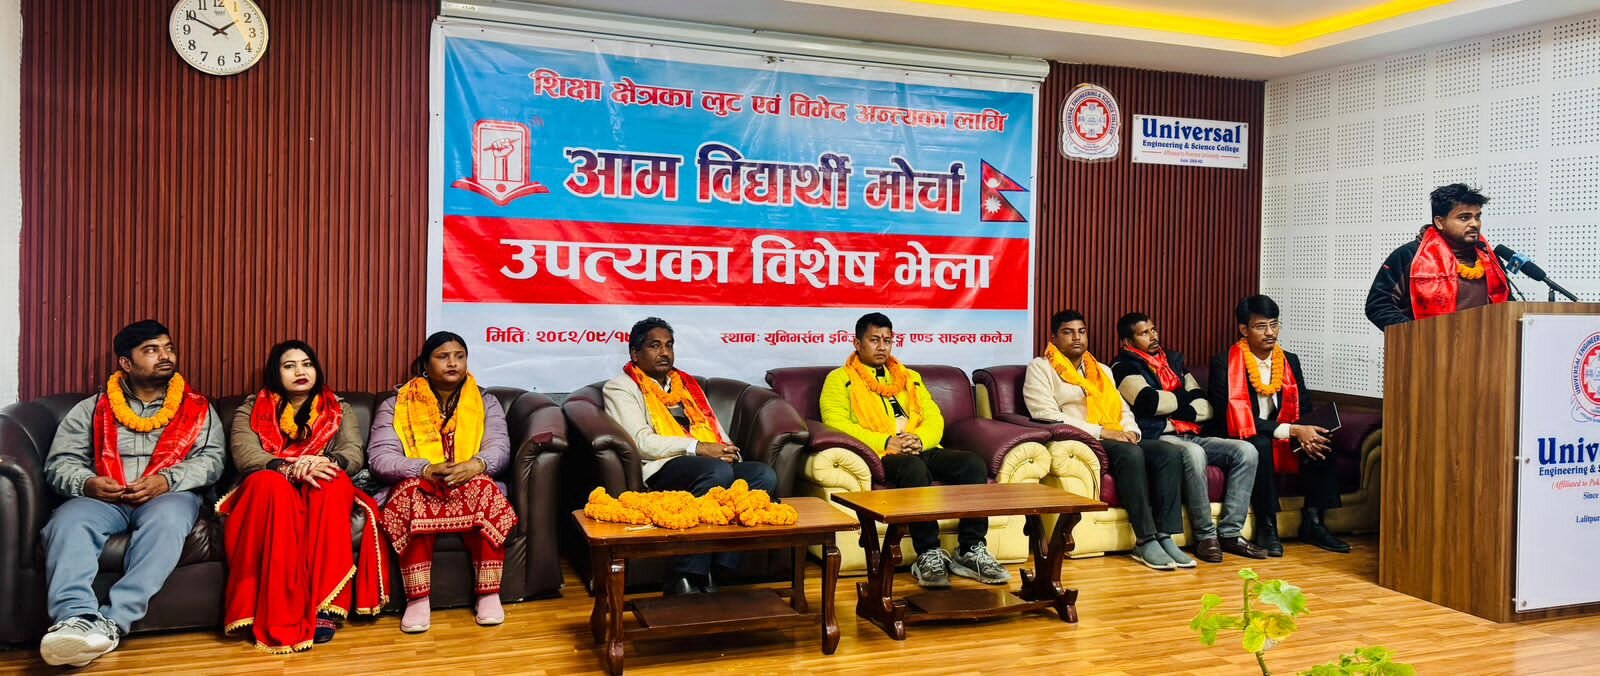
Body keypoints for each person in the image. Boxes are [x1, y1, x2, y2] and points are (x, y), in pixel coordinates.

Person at [38, 320, 225, 667]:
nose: (165, 356)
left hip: (167, 496)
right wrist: (88, 483)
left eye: (168, 348)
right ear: (126, 362)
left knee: (168, 521)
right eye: (151, 350)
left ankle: (111, 623)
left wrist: (167, 480)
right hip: (104, 499)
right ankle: (75, 620)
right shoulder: (92, 408)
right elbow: (61, 463)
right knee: (68, 522)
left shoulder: (198, 408)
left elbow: (212, 460)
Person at [218, 340, 389, 653]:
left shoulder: (338, 408)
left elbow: (353, 453)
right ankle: (271, 607)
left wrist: (324, 461)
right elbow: (246, 455)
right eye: (289, 366)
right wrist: (288, 468)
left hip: (318, 477)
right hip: (270, 481)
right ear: (275, 373)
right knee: (271, 485)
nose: (300, 371)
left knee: (331, 481)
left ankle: (324, 606)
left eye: (307, 364)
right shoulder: (251, 408)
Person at [820, 312, 1010, 589]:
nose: (882, 346)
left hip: (921, 446)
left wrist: (920, 440)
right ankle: (928, 553)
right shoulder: (839, 379)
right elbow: (836, 424)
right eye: (874, 340)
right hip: (882, 455)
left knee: (972, 464)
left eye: (887, 340)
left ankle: (970, 550)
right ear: (857, 343)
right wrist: (886, 441)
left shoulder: (910, 377)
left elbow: (934, 417)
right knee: (913, 468)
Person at [603, 317, 779, 595]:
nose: (664, 352)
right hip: (660, 467)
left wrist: (727, 452)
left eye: (669, 345)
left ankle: (720, 567)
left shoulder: (686, 385)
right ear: (635, 354)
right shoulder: (621, 388)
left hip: (707, 463)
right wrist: (698, 448)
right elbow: (640, 442)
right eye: (655, 346)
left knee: (761, 475)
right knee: (716, 472)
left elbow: (715, 429)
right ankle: (685, 574)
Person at [370, 331, 518, 633]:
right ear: (425, 364)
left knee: (484, 489)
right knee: (412, 496)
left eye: (459, 356)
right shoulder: (395, 403)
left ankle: (488, 594)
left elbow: (499, 448)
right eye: (443, 357)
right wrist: (424, 469)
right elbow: (381, 457)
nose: (453, 363)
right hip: (419, 481)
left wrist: (475, 465)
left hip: (469, 479)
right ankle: (417, 599)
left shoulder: (486, 401)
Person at [1023, 310, 1190, 571]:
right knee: (1131, 454)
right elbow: (1044, 413)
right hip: (1081, 440)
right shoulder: (1041, 368)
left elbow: (1123, 409)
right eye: (1068, 332)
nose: (1076, 338)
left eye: (1081, 332)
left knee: (1167, 452)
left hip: (1114, 433)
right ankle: (1145, 540)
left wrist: (1132, 431)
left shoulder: (1101, 370)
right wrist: (1101, 432)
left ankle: (1165, 536)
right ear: (1053, 338)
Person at [1110, 313, 1266, 563]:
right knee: (1195, 453)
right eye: (1144, 333)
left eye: (1153, 330)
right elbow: (1149, 402)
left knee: (1246, 451)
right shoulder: (1122, 366)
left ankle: (1230, 533)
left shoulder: (1174, 360)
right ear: (1128, 342)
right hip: (1160, 436)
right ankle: (1205, 536)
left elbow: (1205, 405)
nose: (1153, 336)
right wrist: (1185, 399)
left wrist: (1176, 402)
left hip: (1192, 432)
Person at [1208, 295, 1349, 556]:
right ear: (1244, 329)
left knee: (1322, 440)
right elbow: (1229, 416)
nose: (1270, 333)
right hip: (1240, 433)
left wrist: (1308, 431)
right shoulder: (1223, 363)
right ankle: (1267, 524)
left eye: (1274, 324)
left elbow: (1304, 408)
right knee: (1260, 445)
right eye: (1261, 326)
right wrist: (1292, 431)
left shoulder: (1289, 360)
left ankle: (1314, 521)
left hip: (1284, 430)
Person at [1366, 183, 1510, 330]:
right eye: (1464, 218)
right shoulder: (1410, 256)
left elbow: (1506, 303)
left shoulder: (1489, 258)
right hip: (1425, 343)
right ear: (1440, 222)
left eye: (1477, 217)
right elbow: (1378, 306)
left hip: (1484, 342)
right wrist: (1416, 334)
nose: (1474, 224)